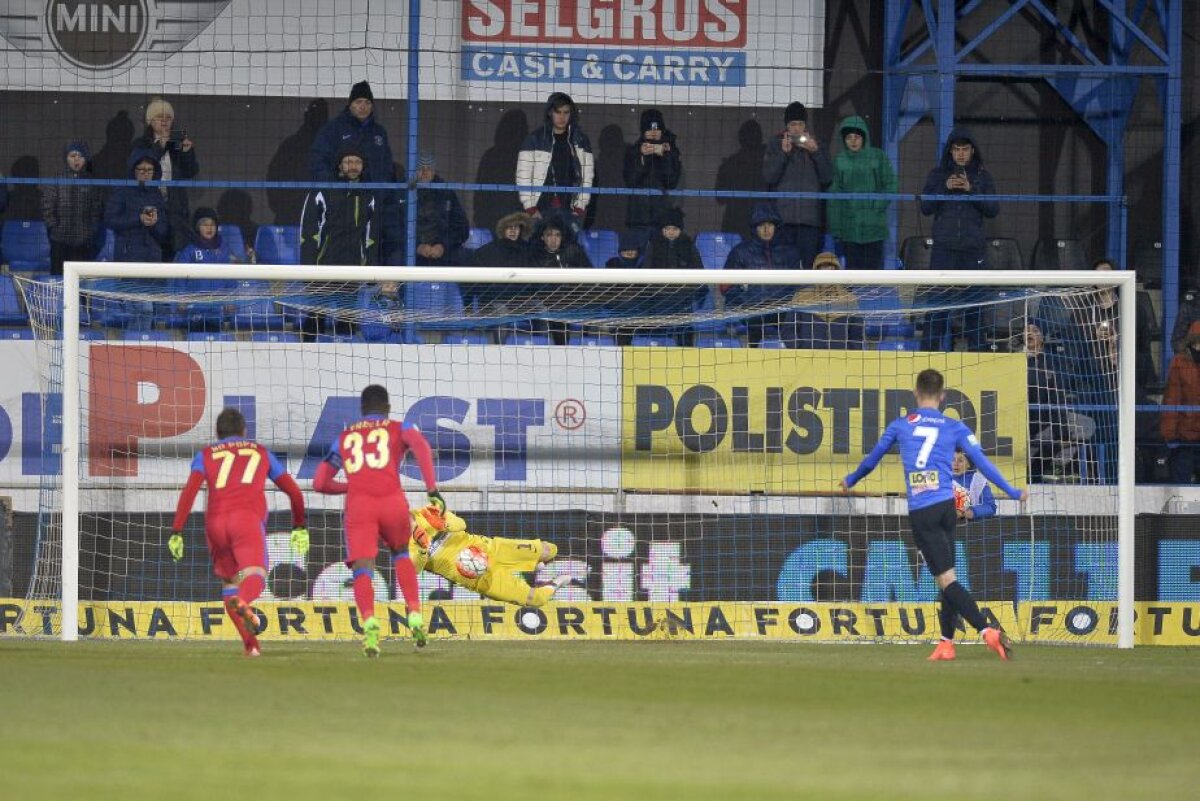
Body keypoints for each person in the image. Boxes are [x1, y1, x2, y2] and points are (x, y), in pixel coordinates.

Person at [840, 368, 1027, 661]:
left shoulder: (900, 425)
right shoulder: (954, 427)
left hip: (923, 512)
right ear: (942, 397)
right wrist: (1012, 491)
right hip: (946, 508)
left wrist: (851, 480)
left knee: (946, 581)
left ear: (915, 393)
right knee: (948, 576)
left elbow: (871, 460)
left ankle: (985, 630)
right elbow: (983, 462)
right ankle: (946, 642)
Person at [312, 384, 444, 656]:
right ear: (387, 407)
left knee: (363, 568)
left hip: (360, 506)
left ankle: (370, 622)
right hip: (392, 502)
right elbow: (421, 445)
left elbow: (319, 482)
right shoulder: (399, 428)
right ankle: (415, 613)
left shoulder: (345, 437)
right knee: (401, 554)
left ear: (362, 411)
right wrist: (432, 489)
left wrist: (349, 487)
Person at [167, 408, 308, 657]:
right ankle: (243, 602)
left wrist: (177, 530)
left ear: (217, 433)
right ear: (245, 432)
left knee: (230, 583)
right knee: (256, 574)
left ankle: (251, 646)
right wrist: (299, 525)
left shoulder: (206, 455)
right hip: (246, 520)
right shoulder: (260, 452)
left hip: (215, 524)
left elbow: (189, 491)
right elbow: (294, 493)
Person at [917, 128, 999, 351]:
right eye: (956, 149)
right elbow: (925, 206)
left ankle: (978, 357)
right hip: (944, 250)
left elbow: (993, 209)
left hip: (973, 252)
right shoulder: (937, 175)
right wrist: (944, 188)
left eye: (965, 149)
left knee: (976, 307)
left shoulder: (983, 177)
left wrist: (972, 190)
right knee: (937, 307)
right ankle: (928, 359)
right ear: (950, 151)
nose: (961, 153)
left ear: (972, 150)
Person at [408, 505, 573, 607]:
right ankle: (556, 582)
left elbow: (461, 524)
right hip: (478, 577)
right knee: (536, 600)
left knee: (549, 550)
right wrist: (423, 548)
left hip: (490, 549)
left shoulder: (428, 512)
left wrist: (444, 525)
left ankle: (533, 563)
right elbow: (415, 568)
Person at [300, 144, 400, 266]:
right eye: (348, 162)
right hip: (323, 270)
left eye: (358, 162)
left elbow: (371, 238)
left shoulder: (369, 197)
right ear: (340, 165)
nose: (353, 166)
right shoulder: (322, 192)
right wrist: (308, 272)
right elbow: (308, 234)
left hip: (354, 272)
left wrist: (370, 273)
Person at [762, 101, 832, 270]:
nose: (797, 129)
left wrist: (815, 152)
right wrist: (783, 154)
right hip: (783, 220)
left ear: (805, 126)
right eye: (793, 124)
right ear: (786, 126)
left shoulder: (817, 144)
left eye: (800, 124)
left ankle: (805, 297)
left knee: (808, 269)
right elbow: (769, 177)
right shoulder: (775, 144)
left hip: (809, 221)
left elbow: (827, 177)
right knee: (783, 268)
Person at [721, 203, 803, 345]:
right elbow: (725, 287)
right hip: (751, 309)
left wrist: (786, 301)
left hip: (783, 309)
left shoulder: (790, 252)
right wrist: (746, 299)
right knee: (754, 324)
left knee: (796, 323)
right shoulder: (740, 252)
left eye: (770, 225)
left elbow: (800, 286)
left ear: (776, 227)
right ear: (755, 228)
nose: (766, 229)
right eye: (761, 225)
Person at [827, 116, 897, 269]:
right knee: (852, 277)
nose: (853, 141)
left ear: (864, 137)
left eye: (857, 137)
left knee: (874, 279)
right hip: (849, 229)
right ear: (843, 140)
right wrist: (837, 229)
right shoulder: (839, 161)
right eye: (849, 137)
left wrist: (876, 207)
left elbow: (891, 185)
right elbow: (834, 198)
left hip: (874, 228)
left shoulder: (878, 157)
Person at [132, 96, 198, 256]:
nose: (164, 121)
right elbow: (142, 167)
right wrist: (160, 147)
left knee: (174, 250)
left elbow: (191, 171)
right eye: (159, 117)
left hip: (175, 207)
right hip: (150, 202)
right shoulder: (141, 144)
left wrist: (187, 152)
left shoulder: (177, 142)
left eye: (168, 118)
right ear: (150, 121)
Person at [516, 92, 594, 225]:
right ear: (550, 113)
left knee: (570, 246)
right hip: (539, 209)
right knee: (538, 245)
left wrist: (580, 206)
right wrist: (530, 207)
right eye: (558, 112)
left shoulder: (580, 140)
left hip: (569, 208)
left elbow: (587, 175)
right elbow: (523, 175)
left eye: (566, 112)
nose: (562, 117)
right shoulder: (534, 139)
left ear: (571, 114)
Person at [309, 81, 395, 184]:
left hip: (372, 193)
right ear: (350, 105)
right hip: (340, 194)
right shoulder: (333, 128)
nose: (363, 106)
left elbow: (387, 165)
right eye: (358, 102)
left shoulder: (379, 132)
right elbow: (318, 160)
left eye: (367, 102)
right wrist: (332, 186)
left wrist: (383, 191)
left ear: (372, 106)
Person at [40, 141, 105, 276]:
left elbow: (96, 209)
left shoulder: (92, 182)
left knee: (81, 284)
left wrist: (90, 232)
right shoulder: (56, 180)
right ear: (66, 158)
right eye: (73, 155)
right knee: (59, 279)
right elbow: (48, 208)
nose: (76, 159)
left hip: (83, 242)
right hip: (60, 242)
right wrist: (54, 229)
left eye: (80, 156)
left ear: (85, 159)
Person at [623, 108, 681, 244]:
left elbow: (671, 181)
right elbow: (630, 181)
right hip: (638, 218)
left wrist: (665, 155)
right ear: (643, 131)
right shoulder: (633, 152)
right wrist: (641, 157)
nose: (654, 133)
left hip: (664, 220)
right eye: (650, 130)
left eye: (657, 129)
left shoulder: (671, 150)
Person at [103, 150, 170, 263]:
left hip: (153, 255)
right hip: (127, 254)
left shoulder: (157, 194)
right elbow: (110, 220)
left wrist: (154, 224)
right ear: (133, 170)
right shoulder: (122, 191)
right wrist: (138, 219)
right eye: (141, 169)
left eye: (149, 170)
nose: (146, 173)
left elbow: (164, 230)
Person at [787, 251, 862, 348]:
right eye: (823, 267)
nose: (827, 270)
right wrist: (800, 350)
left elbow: (856, 334)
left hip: (841, 359)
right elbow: (789, 330)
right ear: (816, 270)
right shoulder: (801, 296)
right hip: (807, 358)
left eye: (830, 267)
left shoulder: (849, 298)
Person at [413, 152, 469, 267]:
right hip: (411, 250)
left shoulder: (446, 192)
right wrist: (417, 246)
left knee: (464, 257)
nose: (424, 172)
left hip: (444, 250)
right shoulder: (403, 192)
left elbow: (462, 227)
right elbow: (395, 228)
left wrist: (443, 246)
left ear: (434, 171)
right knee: (394, 256)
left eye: (428, 168)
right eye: (420, 168)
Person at [1160, 324, 1200, 483]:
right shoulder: (1179, 362)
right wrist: (1169, 434)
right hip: (1185, 436)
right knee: (1181, 483)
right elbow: (1172, 398)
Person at [174, 207, 240, 264]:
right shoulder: (189, 251)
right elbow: (178, 276)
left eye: (212, 225)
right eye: (205, 225)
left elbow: (236, 272)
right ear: (197, 227)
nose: (209, 228)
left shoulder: (225, 249)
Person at [951, 448, 997, 521]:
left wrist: (972, 512)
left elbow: (991, 507)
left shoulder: (978, 480)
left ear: (969, 464)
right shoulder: (938, 477)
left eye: (960, 460)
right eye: (952, 459)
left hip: (970, 527)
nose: (955, 463)